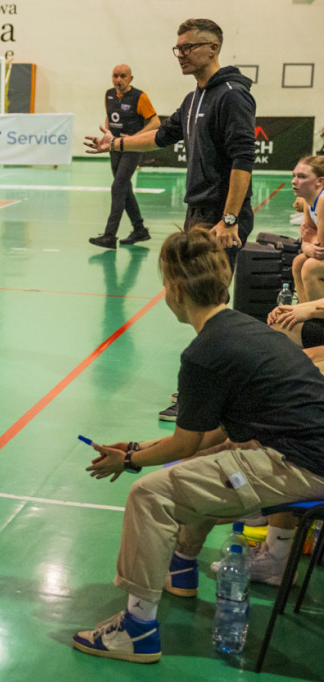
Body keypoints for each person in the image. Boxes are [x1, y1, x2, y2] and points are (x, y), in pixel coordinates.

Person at [71, 228, 324, 664]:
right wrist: (134, 446)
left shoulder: (204, 353)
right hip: (304, 453)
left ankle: (136, 629)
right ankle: (181, 566)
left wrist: (130, 462)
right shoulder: (242, 326)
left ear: (172, 292)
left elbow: (182, 445)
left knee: (150, 494)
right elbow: (211, 436)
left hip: (303, 466)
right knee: (213, 461)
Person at [85, 18, 257, 422]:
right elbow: (163, 135)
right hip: (198, 210)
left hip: (220, 217)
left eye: (188, 48)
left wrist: (229, 219)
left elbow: (243, 160)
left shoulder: (231, 96)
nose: (180, 54)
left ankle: (208, 396)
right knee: (204, 304)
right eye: (177, 48)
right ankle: (218, 388)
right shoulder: (195, 97)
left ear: (212, 49)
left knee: (208, 306)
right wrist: (118, 142)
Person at [88, 64, 160, 249]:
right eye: (115, 76)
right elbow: (109, 117)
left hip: (132, 149)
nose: (118, 79)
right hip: (114, 147)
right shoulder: (109, 94)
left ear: (130, 78)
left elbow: (155, 122)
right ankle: (140, 230)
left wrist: (136, 138)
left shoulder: (139, 97)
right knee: (124, 189)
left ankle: (109, 235)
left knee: (118, 186)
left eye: (123, 76)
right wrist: (107, 135)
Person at [278, 156, 324, 306]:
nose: (294, 181)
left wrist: (311, 241)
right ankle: (303, 312)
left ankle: (318, 321)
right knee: (298, 262)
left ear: (320, 181)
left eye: (302, 177)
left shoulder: (323, 200)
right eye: (294, 176)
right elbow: (306, 239)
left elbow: (321, 247)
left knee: (311, 268)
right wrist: (309, 244)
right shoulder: (308, 200)